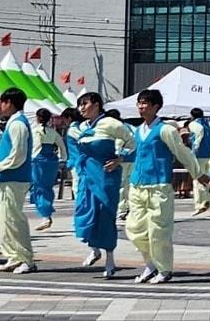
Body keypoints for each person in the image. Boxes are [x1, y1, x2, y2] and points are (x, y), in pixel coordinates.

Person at [125, 89, 209, 284]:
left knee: (158, 231)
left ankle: (164, 269)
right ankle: (150, 263)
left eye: (145, 103)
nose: (141, 106)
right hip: (138, 186)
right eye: (139, 102)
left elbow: (182, 152)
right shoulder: (137, 131)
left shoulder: (165, 130)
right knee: (135, 229)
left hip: (159, 186)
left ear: (156, 107)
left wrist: (198, 173)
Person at [70, 92, 133, 279]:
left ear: (97, 104)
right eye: (79, 104)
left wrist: (119, 159)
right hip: (86, 177)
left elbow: (133, 142)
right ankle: (94, 248)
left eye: (85, 104)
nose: (81, 108)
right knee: (85, 213)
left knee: (105, 215)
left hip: (106, 176)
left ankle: (110, 258)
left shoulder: (111, 124)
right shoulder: (81, 127)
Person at [0, 89, 37, 274]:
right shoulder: (15, 123)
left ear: (9, 102)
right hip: (8, 178)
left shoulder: (18, 124)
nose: (0, 106)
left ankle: (26, 258)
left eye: (2, 102)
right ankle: (14, 256)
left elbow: (19, 154)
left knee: (14, 219)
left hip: (14, 178)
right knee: (4, 219)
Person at [30, 109, 65, 231]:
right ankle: (46, 213)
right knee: (47, 187)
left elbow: (33, 147)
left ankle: (45, 215)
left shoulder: (35, 131)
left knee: (39, 187)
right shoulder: (53, 132)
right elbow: (62, 146)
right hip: (51, 160)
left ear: (37, 118)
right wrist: (62, 159)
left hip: (38, 160)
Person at [187, 107, 210, 215]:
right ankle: (206, 198)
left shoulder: (194, 124)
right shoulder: (208, 124)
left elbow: (197, 138)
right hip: (209, 153)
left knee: (197, 178)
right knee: (206, 177)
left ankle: (200, 203)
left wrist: (193, 152)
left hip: (199, 155)